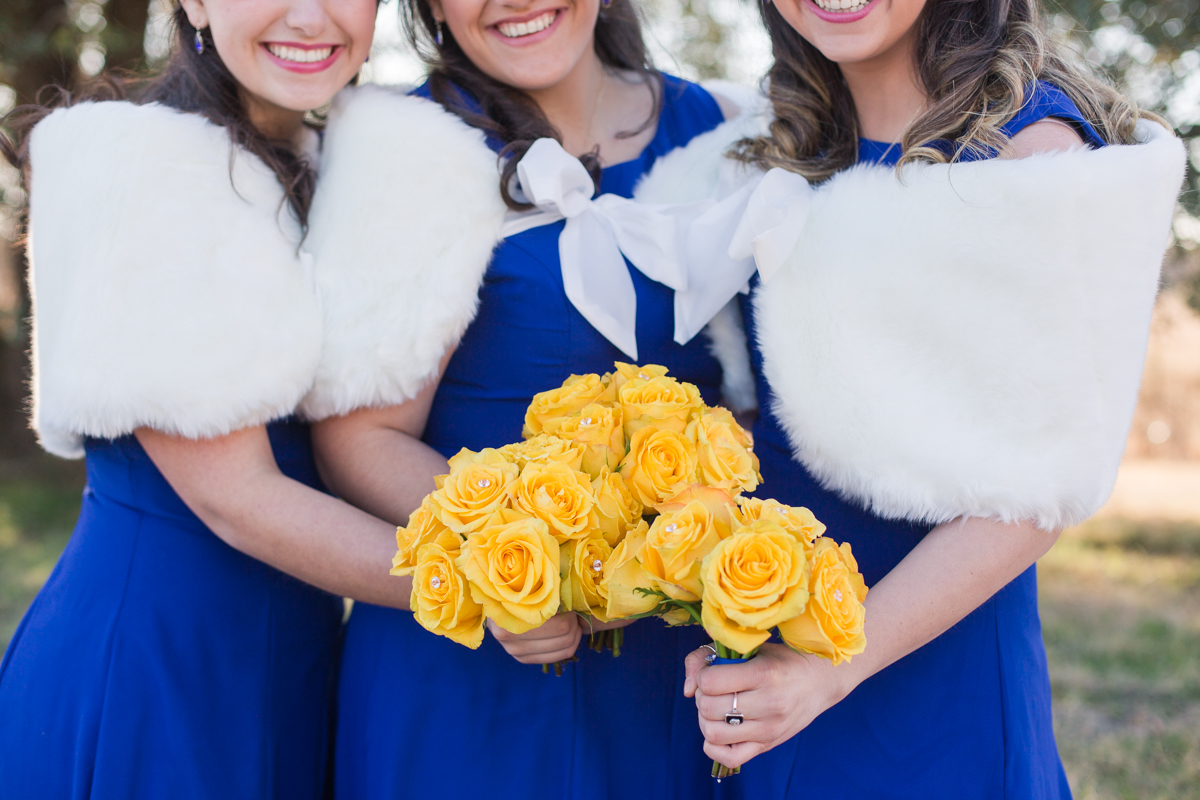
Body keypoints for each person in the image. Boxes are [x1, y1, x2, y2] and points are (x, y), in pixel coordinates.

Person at [629, 0, 1185, 794]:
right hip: (773, 649)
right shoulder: (785, 144)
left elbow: (1038, 488)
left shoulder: (1035, 153)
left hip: (918, 666)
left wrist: (827, 665)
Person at [0, 1, 504, 797]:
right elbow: (240, 498)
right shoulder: (141, 165)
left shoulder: (317, 161)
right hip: (155, 663)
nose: (311, 17)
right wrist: (498, 584)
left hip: (282, 654)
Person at [309, 0, 757, 797]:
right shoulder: (407, 151)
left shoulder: (719, 129)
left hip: (670, 665)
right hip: (477, 659)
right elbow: (359, 439)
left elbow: (752, 400)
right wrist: (543, 569)